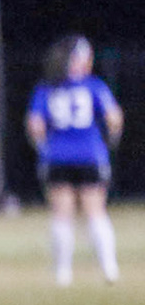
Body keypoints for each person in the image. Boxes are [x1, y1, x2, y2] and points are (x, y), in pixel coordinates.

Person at [27, 36, 123, 285]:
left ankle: (62, 273)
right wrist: (108, 143)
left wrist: (43, 148)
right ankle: (109, 268)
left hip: (57, 156)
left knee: (62, 214)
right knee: (95, 211)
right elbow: (114, 119)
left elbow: (35, 125)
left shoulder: (46, 88)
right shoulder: (94, 86)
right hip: (90, 155)